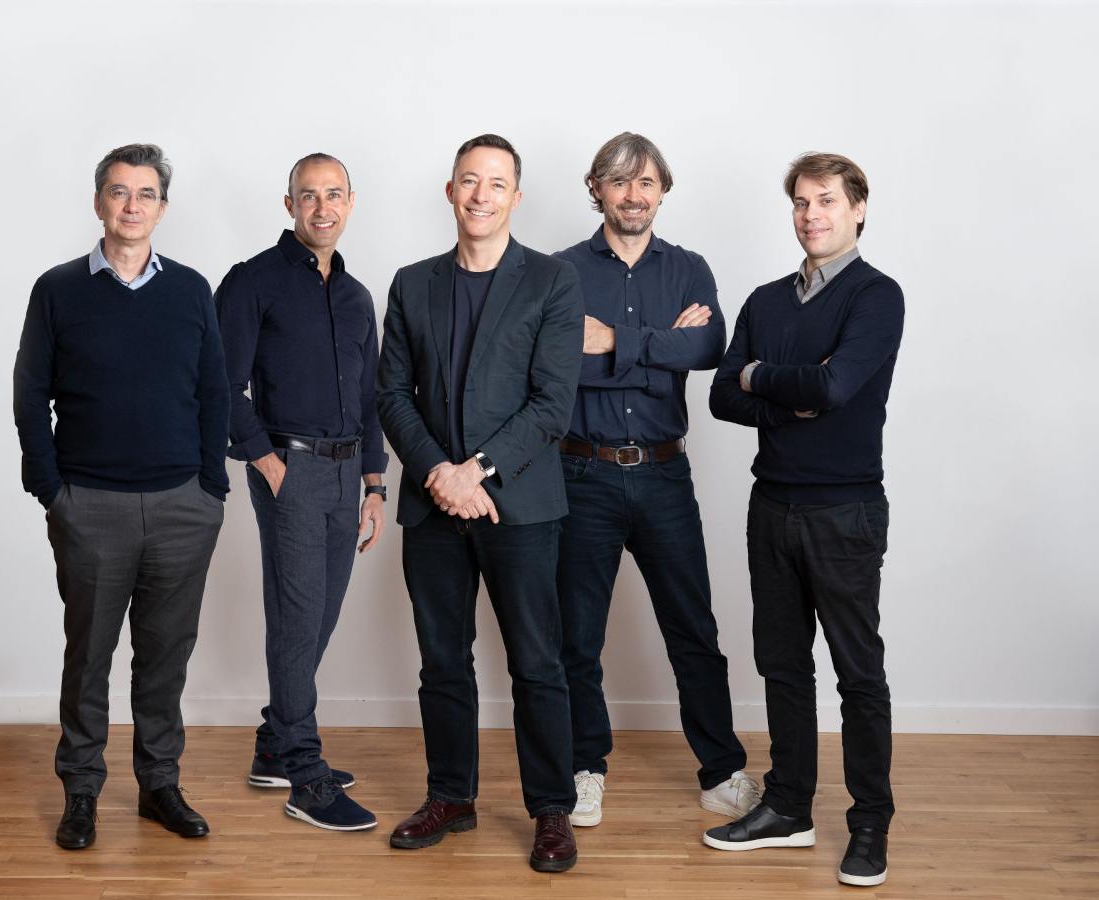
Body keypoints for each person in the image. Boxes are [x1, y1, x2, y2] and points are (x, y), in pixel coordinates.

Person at [377, 134, 584, 873]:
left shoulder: (553, 282)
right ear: (450, 190)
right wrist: (439, 471)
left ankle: (551, 810)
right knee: (442, 661)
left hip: (519, 506)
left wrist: (476, 472)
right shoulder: (412, 283)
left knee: (537, 663)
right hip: (432, 504)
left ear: (516, 197)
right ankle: (451, 797)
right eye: (469, 180)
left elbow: (552, 403)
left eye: (496, 183)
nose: (481, 195)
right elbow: (391, 394)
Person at [13, 143, 229, 850]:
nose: (132, 205)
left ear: (162, 208)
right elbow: (29, 395)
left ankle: (159, 785)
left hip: (182, 506)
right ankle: (81, 791)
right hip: (90, 506)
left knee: (165, 657)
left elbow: (215, 392)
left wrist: (211, 487)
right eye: (119, 191)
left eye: (146, 194)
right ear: (99, 201)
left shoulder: (191, 290)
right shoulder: (57, 289)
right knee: (89, 658)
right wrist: (51, 490)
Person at [704, 152, 904, 888]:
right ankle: (788, 808)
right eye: (800, 201)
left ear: (858, 209)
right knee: (782, 666)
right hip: (772, 507)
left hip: (844, 511)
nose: (811, 214)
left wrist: (763, 375)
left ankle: (871, 822)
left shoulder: (876, 296)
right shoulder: (764, 301)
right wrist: (789, 394)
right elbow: (722, 395)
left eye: (826, 200)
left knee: (858, 673)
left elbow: (836, 386)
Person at [553, 132, 760, 828]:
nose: (633, 195)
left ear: (662, 190)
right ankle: (584, 768)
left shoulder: (690, 268)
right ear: (597, 190)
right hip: (582, 472)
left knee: (693, 628)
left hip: (666, 474)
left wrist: (613, 342)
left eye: (646, 182)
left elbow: (708, 348)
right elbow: (557, 363)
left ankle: (722, 772)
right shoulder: (560, 272)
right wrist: (659, 349)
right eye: (619, 181)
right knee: (577, 636)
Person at [214, 153, 387, 832]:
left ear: (351, 202)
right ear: (289, 205)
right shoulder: (252, 281)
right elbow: (220, 384)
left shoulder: (356, 296)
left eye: (333, 194)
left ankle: (273, 745)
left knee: (318, 617)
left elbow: (370, 397)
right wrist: (264, 457)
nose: (322, 207)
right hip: (290, 467)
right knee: (296, 618)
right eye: (308, 195)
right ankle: (304, 775)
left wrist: (375, 483)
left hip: (348, 474)